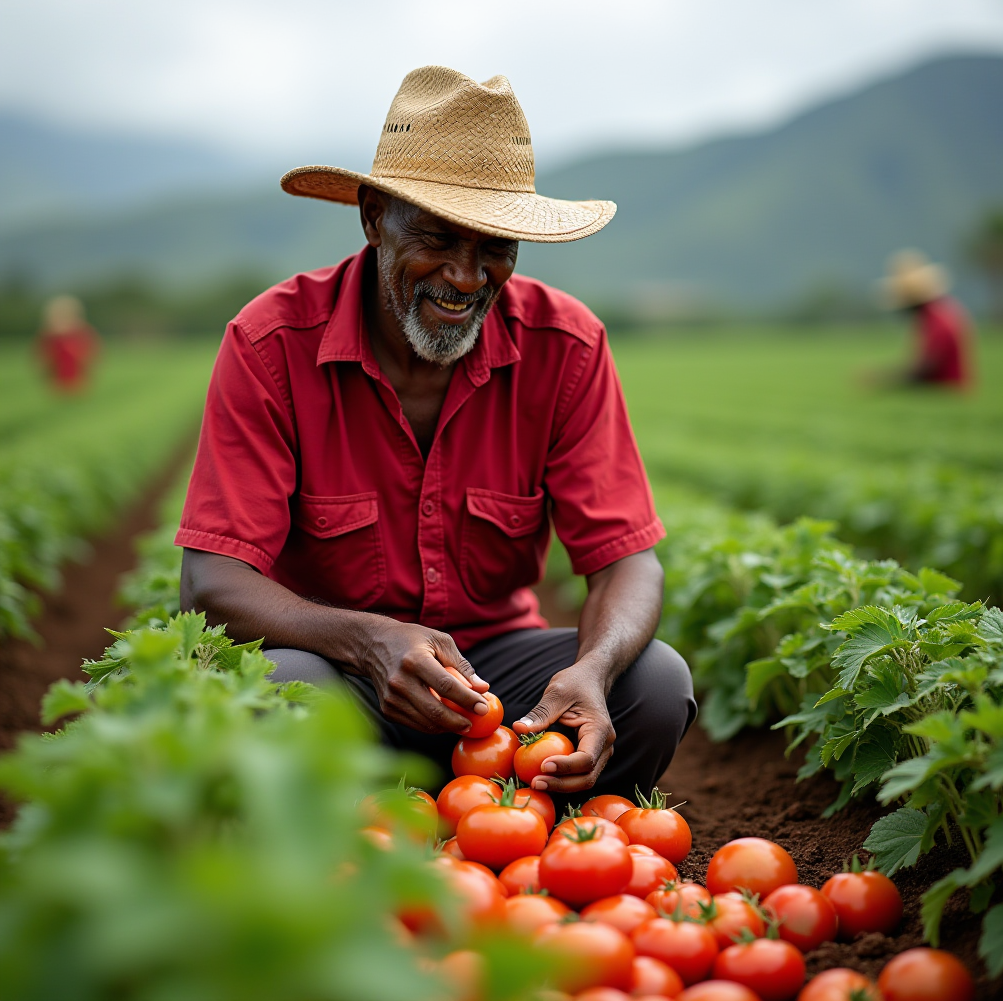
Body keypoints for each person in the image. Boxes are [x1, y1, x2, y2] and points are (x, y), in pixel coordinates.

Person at [176, 66, 696, 804]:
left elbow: (627, 564)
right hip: (339, 672)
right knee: (278, 690)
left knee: (655, 684)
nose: (465, 274)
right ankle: (364, 827)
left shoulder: (565, 344)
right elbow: (210, 581)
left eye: (495, 247)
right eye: (436, 238)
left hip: (497, 677)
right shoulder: (272, 344)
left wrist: (595, 668)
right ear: (372, 217)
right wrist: (367, 639)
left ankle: (509, 825)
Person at [877, 250, 973, 388]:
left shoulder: (938, 320)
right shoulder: (938, 314)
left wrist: (884, 379)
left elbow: (928, 368)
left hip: (945, 389)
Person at [37, 295, 100, 393]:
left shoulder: (82, 331)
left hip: (77, 375)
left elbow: (91, 352)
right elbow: (43, 355)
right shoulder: (48, 334)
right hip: (57, 375)